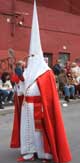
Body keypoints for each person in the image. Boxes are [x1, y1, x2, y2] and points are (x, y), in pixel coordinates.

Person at [10, 0, 72, 162]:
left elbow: (49, 94)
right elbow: (22, 89)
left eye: (33, 56)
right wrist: (19, 80)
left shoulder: (47, 72)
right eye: (29, 56)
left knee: (41, 132)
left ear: (38, 57)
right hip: (26, 107)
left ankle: (45, 154)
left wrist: (44, 106)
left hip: (40, 107)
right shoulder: (28, 70)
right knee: (27, 131)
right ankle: (29, 153)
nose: (30, 58)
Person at [10, 60, 25, 147]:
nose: (24, 65)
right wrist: (18, 75)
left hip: (22, 94)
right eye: (23, 64)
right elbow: (18, 80)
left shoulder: (22, 71)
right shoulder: (18, 72)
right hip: (19, 95)